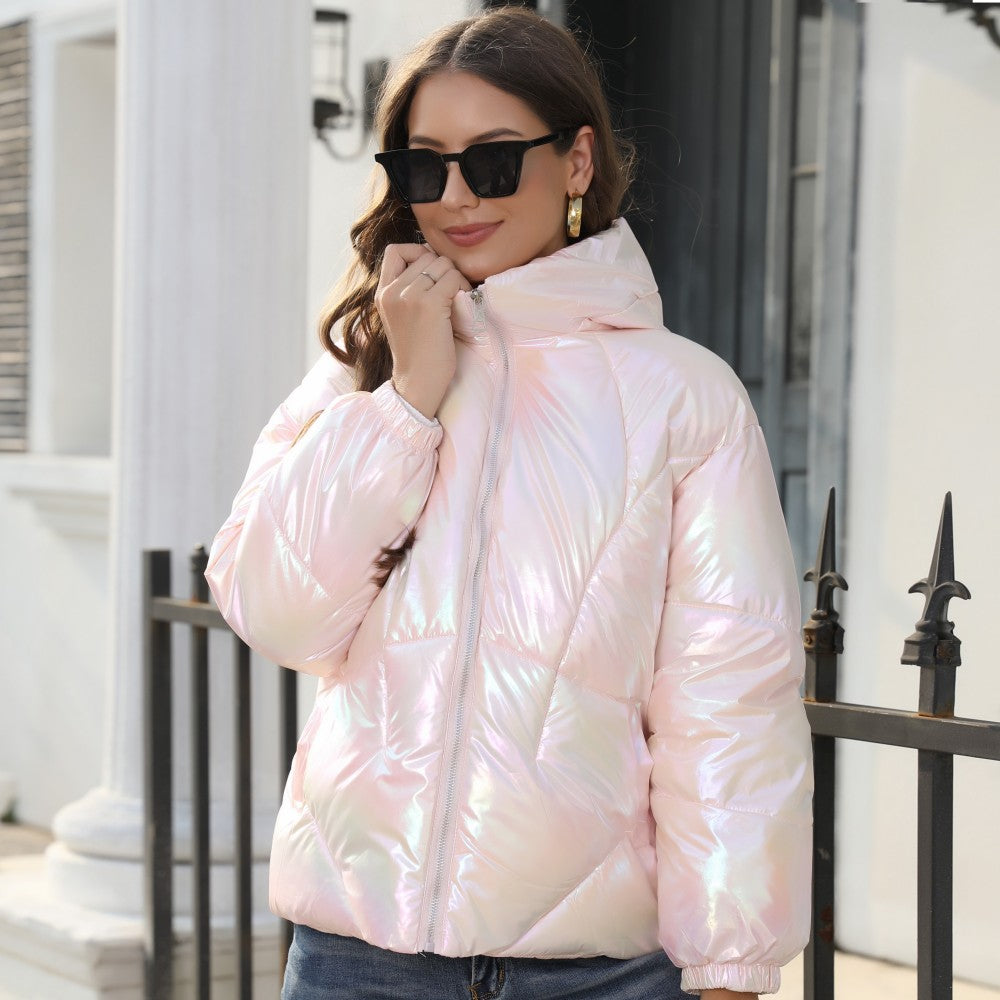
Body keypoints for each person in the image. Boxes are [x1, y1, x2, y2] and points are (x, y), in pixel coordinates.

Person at [205, 7, 813, 999]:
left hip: (594, 977)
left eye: (491, 162)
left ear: (576, 160)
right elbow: (277, 613)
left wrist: (730, 965)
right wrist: (408, 401)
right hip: (359, 961)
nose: (455, 198)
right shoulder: (359, 373)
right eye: (423, 168)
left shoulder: (682, 399)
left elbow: (729, 700)